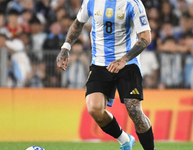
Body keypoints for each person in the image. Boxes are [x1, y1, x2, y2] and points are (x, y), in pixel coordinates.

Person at [56, 0, 155, 150]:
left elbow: (146, 37)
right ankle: (125, 140)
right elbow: (78, 23)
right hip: (100, 63)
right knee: (94, 109)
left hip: (127, 63)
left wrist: (124, 59)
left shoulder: (132, 3)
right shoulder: (91, 2)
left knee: (134, 111)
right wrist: (66, 47)